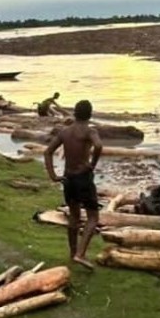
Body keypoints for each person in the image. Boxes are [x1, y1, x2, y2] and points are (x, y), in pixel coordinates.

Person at [44, 100, 103, 269]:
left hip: (68, 179)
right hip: (83, 178)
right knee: (93, 217)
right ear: (90, 114)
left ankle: (73, 253)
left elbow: (47, 152)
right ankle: (80, 254)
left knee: (74, 216)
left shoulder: (65, 131)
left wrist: (53, 175)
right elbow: (98, 145)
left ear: (75, 113)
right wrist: (92, 164)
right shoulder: (90, 130)